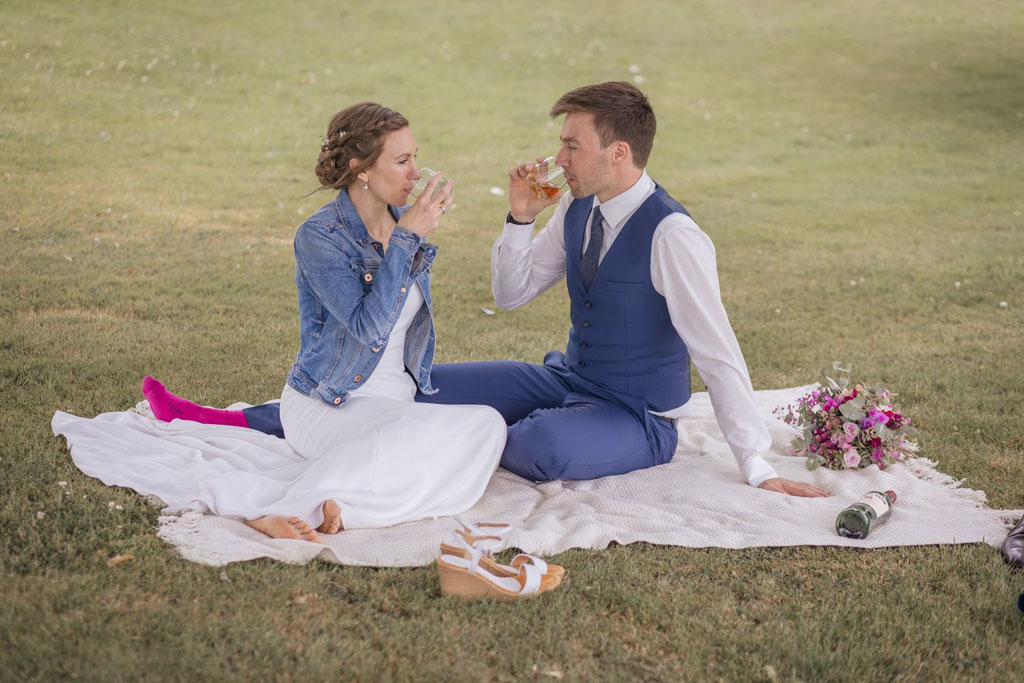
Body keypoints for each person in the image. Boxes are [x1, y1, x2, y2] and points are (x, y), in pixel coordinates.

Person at [149, 83, 827, 498]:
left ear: (618, 154)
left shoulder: (675, 237)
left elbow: (719, 355)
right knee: (419, 387)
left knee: (541, 450)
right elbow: (511, 293)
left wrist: (756, 462)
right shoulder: (579, 208)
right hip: (567, 380)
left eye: (572, 146)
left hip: (637, 412)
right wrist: (520, 218)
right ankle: (261, 415)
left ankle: (631, 441)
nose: (558, 158)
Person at [140, 102, 507, 542]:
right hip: (327, 402)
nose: (416, 173)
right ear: (362, 170)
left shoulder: (399, 222)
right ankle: (278, 509)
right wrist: (409, 240)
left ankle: (348, 509)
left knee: (487, 426)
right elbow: (369, 328)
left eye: (415, 157)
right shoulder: (320, 237)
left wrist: (406, 236)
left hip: (394, 403)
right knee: (414, 437)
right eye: (403, 160)